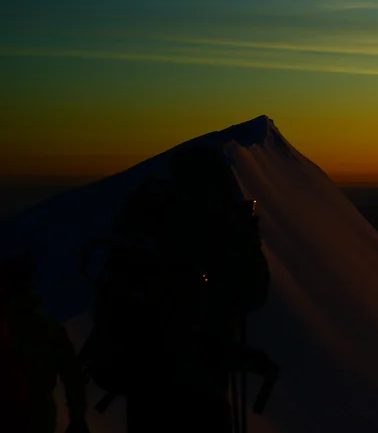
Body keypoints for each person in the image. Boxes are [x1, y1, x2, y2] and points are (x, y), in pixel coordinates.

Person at [84, 145, 270, 433]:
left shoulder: (148, 224)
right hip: (200, 395)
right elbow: (253, 292)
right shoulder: (213, 229)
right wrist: (246, 237)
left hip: (146, 392)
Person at [2, 251, 90, 433]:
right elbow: (73, 379)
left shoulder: (9, 327)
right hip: (40, 421)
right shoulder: (50, 330)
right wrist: (77, 419)